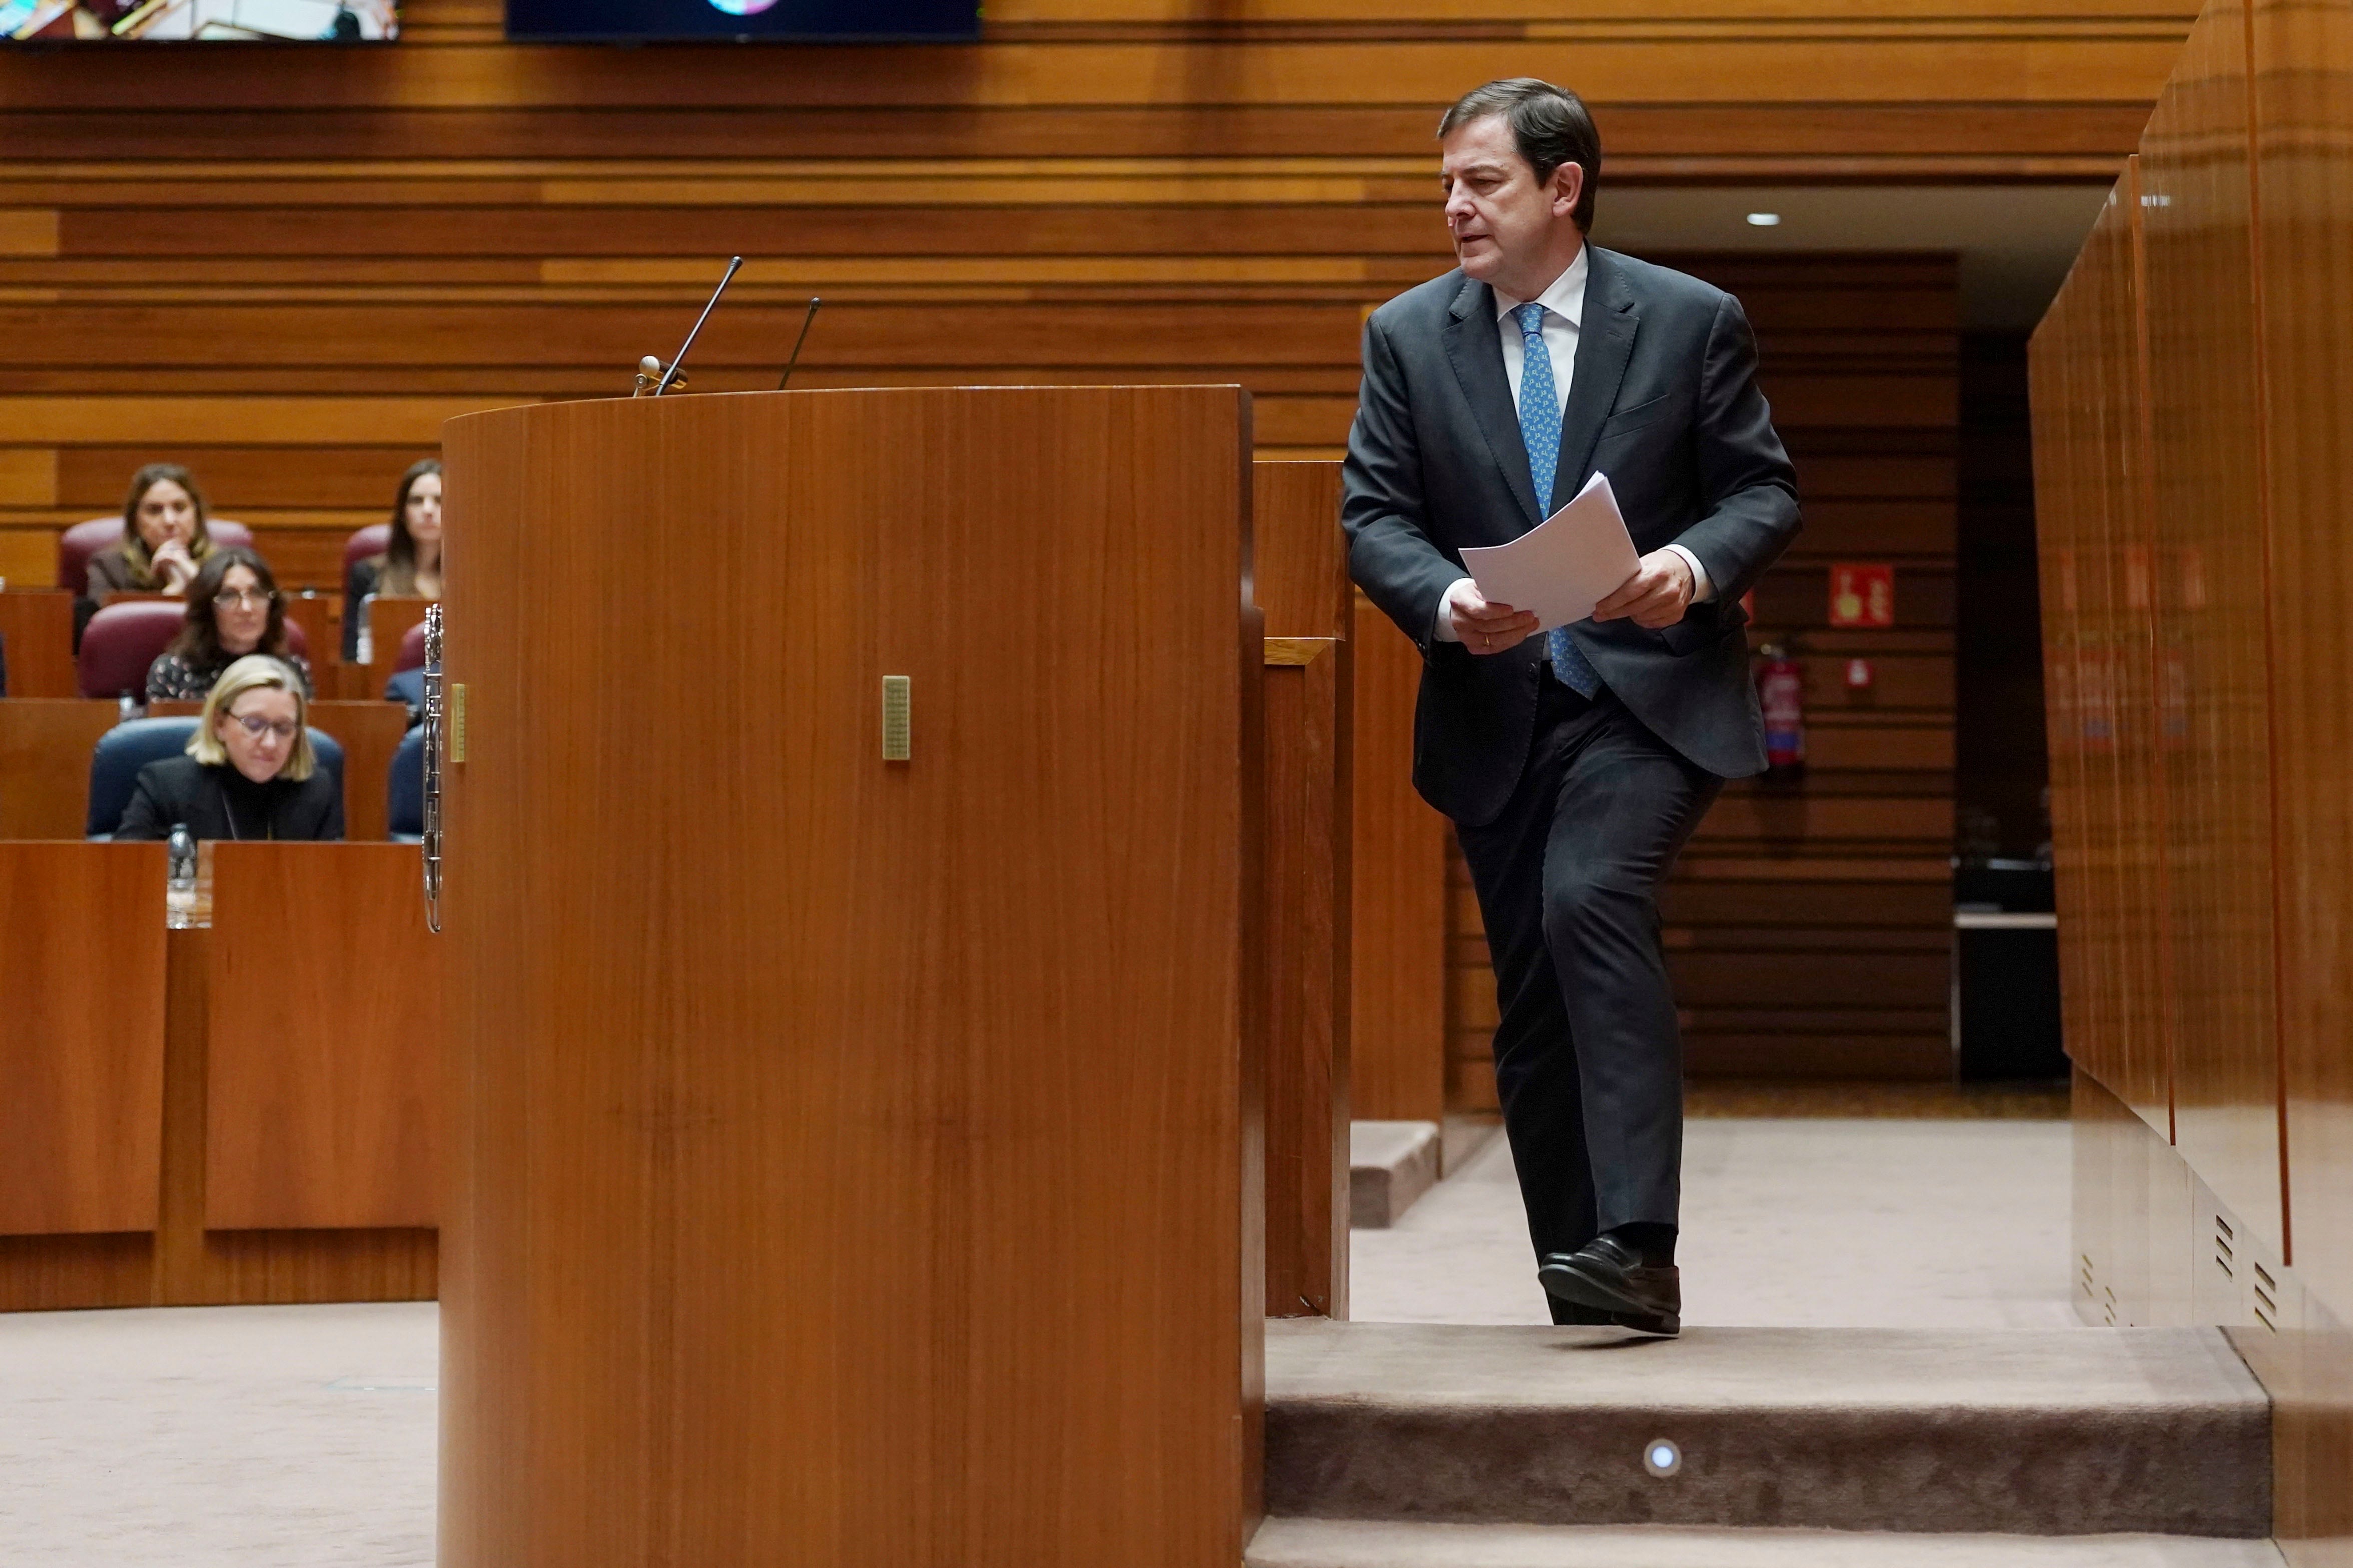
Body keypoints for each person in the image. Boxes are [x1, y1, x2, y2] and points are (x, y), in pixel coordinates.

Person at [1341, 78, 1801, 1337]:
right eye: (1441, 184)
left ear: (1562, 186)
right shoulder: (1404, 336)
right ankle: (1579, 1266)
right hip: (1497, 705)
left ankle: (1638, 1242)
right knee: (1533, 987)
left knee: (1588, 892)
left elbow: (1757, 493)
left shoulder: (1688, 319)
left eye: (1478, 181)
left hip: (1646, 696)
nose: (1452, 207)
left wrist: (1687, 566)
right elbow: (1371, 515)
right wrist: (1440, 600)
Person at [115, 655, 343, 842]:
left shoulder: (316, 792)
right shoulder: (164, 787)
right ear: (219, 724)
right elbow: (126, 878)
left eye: (283, 728)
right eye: (254, 725)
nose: (270, 743)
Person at [145, 548, 316, 703]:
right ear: (207, 608)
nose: (246, 608)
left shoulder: (291, 672)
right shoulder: (173, 673)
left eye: (257, 593)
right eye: (229, 596)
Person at [344, 459, 442, 660]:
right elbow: (352, 659)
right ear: (403, 513)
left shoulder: (472, 581)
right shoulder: (368, 575)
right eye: (416, 501)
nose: (428, 510)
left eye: (440, 500)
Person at [85, 463, 217, 602]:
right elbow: (105, 623)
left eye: (179, 508)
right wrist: (172, 593)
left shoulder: (224, 566)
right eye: (154, 510)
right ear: (134, 519)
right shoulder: (109, 569)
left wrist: (196, 579)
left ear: (197, 514)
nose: (169, 521)